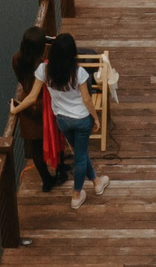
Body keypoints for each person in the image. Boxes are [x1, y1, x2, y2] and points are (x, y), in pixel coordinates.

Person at [11, 32, 109, 209]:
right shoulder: (78, 73)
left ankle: (97, 182)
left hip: (62, 120)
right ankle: (76, 196)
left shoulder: (43, 70)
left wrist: (15, 109)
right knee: (80, 158)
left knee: (81, 154)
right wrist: (96, 118)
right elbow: (87, 100)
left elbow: (32, 97)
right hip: (81, 119)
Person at [9, 27, 61, 192]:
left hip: (27, 106)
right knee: (55, 135)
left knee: (36, 146)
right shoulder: (43, 65)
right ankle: (60, 167)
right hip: (44, 104)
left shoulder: (16, 59)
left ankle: (46, 180)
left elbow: (21, 78)